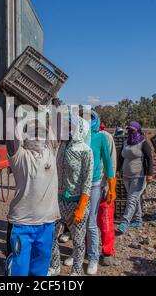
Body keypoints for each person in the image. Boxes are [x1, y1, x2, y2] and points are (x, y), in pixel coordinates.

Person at [5, 117, 60, 276]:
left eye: (40, 132)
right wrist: (11, 108)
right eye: (33, 132)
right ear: (25, 136)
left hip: (47, 224)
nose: (37, 135)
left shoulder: (51, 151)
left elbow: (56, 126)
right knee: (20, 270)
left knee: (40, 269)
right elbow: (10, 133)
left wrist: (52, 110)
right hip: (23, 225)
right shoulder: (19, 156)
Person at [49, 115, 93, 276]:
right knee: (51, 237)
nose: (66, 130)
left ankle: (76, 271)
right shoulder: (61, 146)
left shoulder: (86, 151)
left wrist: (81, 208)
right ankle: (54, 266)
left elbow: (87, 182)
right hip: (59, 201)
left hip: (77, 203)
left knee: (78, 241)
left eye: (70, 127)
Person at [84, 111, 116, 275]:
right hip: (80, 186)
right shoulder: (78, 136)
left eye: (90, 118)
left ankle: (99, 255)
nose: (87, 121)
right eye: (84, 118)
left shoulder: (103, 137)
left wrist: (110, 185)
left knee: (96, 222)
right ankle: (82, 252)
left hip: (97, 184)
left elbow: (110, 161)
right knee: (80, 222)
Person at [117, 121, 154, 234]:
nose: (129, 132)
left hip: (139, 175)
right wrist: (119, 170)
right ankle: (138, 220)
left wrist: (150, 174)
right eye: (128, 130)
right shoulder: (126, 142)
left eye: (132, 130)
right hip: (126, 175)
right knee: (134, 198)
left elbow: (149, 159)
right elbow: (121, 157)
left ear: (137, 130)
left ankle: (125, 222)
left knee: (132, 199)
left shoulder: (143, 143)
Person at [98, 121, 117, 266]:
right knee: (88, 221)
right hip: (88, 187)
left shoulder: (106, 137)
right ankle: (88, 247)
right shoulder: (82, 135)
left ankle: (107, 251)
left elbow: (112, 162)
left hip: (103, 185)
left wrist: (109, 185)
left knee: (105, 220)